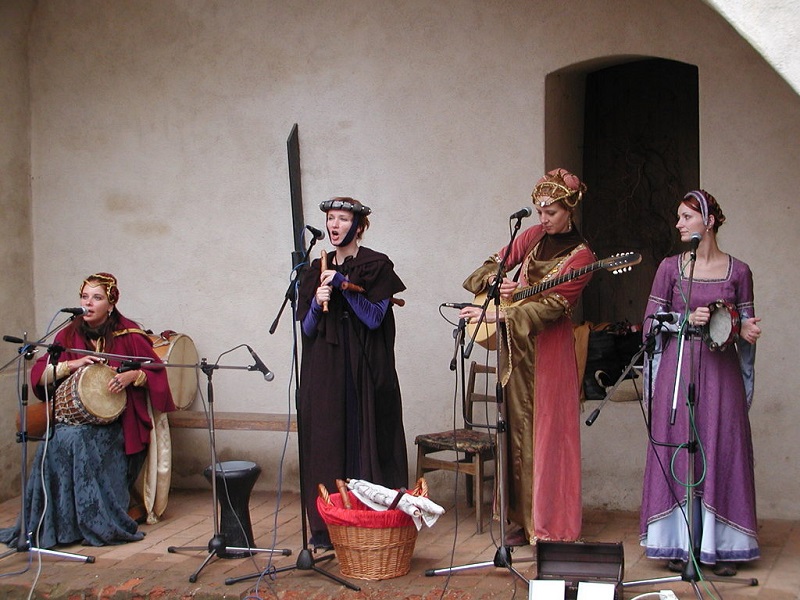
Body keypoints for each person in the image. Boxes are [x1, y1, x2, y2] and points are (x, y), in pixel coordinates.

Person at [459, 168, 595, 546]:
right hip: (517, 346)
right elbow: (491, 265)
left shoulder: (582, 256)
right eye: (539, 211)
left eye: (550, 212)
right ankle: (519, 519)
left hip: (550, 351)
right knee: (516, 429)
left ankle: (549, 522)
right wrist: (496, 283)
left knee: (548, 434)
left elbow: (553, 306)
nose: (543, 219)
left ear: (569, 210)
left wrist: (508, 310)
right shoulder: (533, 236)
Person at [0, 272, 176, 548]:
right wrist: (72, 365)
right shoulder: (67, 333)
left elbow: (157, 372)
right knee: (57, 440)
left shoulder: (129, 333)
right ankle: (55, 523)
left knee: (76, 439)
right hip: (74, 422)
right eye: (85, 297)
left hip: (119, 424)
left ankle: (93, 519)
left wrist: (134, 376)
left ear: (111, 303)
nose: (89, 303)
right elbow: (39, 373)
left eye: (97, 297)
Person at [640, 190, 761, 577]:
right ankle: (680, 541)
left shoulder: (739, 271)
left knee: (720, 447)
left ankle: (721, 545)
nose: (679, 224)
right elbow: (649, 324)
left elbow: (744, 322)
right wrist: (683, 320)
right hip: (679, 374)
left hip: (721, 376)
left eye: (686, 217)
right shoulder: (669, 269)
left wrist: (746, 330)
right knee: (681, 450)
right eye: (678, 217)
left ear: (708, 221)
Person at [296, 197, 409, 550]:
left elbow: (374, 318)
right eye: (330, 219)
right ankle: (329, 528)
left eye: (342, 219)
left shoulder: (376, 266)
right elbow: (308, 329)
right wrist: (317, 299)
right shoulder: (314, 269)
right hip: (326, 372)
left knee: (366, 441)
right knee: (328, 443)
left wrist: (345, 285)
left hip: (364, 372)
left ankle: (371, 523)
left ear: (358, 227)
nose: (334, 225)